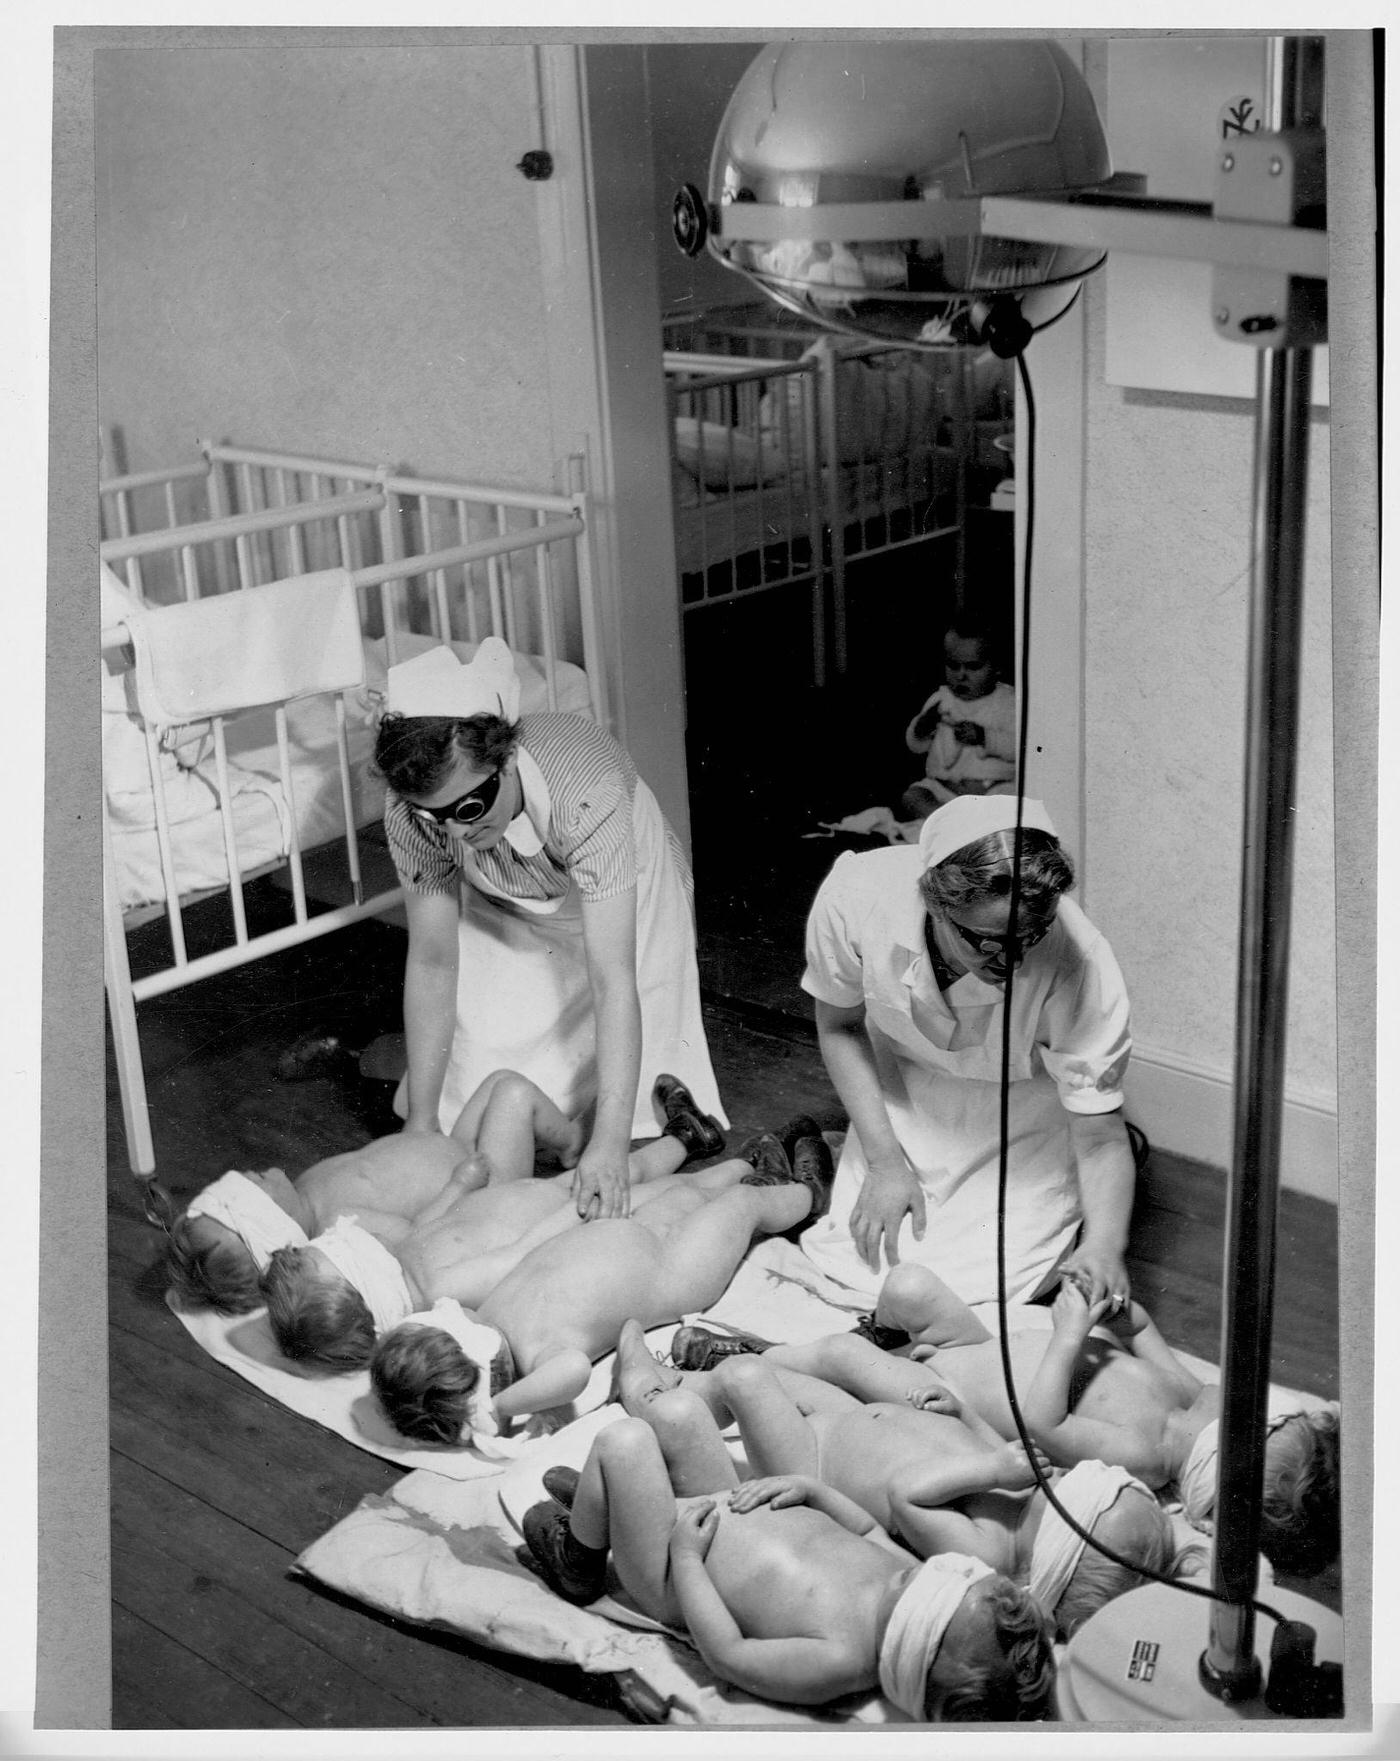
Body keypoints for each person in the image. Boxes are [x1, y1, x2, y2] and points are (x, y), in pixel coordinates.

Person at [521, 1322, 1055, 1720]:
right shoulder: (901, 1579)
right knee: (676, 1414)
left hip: (671, 1573)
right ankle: (607, 1502)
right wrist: (812, 1491)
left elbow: (732, 1656)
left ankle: (579, 1555)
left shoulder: (840, 1661)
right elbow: (866, 1530)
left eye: (923, 1585)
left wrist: (685, 1557)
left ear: (913, 1651)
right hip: (729, 1500)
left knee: (625, 1441)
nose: (920, 1570)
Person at [373, 637, 726, 1222]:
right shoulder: (417, 810)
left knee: (616, 1107)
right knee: (467, 1089)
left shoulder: (585, 792)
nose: (454, 836)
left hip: (621, 892)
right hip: (516, 896)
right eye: (433, 817)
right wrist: (420, 1128)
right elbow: (434, 959)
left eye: (468, 809)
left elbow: (614, 977)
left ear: (507, 759)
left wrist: (609, 1146)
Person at [797, 793, 1136, 1309]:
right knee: (861, 1264)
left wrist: (1105, 1247)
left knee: (989, 1289)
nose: (1013, 959)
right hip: (904, 1088)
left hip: (1025, 1106)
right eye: (986, 940)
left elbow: (1100, 1140)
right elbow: (840, 1026)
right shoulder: (857, 897)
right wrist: (886, 1163)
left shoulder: (1081, 963)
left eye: (1031, 935)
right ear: (937, 906)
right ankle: (829, 1161)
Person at [638, 1334, 1196, 1641]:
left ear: (1057, 1548)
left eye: (1082, 1495)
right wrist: (965, 1415)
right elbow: (986, 1445)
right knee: (787, 1368)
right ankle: (689, 1388)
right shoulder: (1033, 1488)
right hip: (859, 1416)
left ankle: (657, 1405)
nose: (1074, 1478)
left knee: (745, 1379)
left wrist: (995, 1473)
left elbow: (908, 1495)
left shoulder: (989, 1551)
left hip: (817, 1459)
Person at [792, 1272, 1341, 1579]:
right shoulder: (1189, 1393)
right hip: (976, 1347)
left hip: (947, 1398)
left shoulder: (1147, 1454)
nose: (1230, 1393)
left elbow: (1045, 1423)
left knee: (840, 1356)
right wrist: (1128, 1318)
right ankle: (884, 1340)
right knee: (909, 1286)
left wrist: (1071, 1334)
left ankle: (767, 1358)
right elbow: (1146, 1334)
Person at [369, 1124, 836, 1446]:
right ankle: (805, 1196)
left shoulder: (487, 1314)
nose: (455, 1313)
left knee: (690, 1192)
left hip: (639, 1231)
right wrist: (503, 1406)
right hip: (676, 1270)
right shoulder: (539, 1357)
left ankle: (760, 1173)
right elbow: (572, 1372)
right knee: (738, 1207)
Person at [260, 1072, 733, 1374]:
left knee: (627, 1173)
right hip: (558, 1217)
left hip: (519, 1198)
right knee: (644, 1189)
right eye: (341, 1253)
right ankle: (717, 1163)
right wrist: (577, 1214)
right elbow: (518, 1257)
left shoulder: (399, 1258)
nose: (349, 1239)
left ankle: (688, 1137)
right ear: (365, 1288)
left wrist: (459, 1188)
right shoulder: (441, 1290)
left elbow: (430, 1221)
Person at [901, 620, 1016, 819]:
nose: (961, 675)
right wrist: (923, 727)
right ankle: (950, 823)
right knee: (913, 796)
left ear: (997, 668)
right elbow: (915, 746)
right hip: (944, 790)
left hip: (991, 790)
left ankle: (965, 827)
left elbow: (1019, 747)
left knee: (1009, 804)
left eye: (973, 667)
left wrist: (984, 737)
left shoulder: (1008, 701)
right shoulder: (941, 699)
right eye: (953, 666)